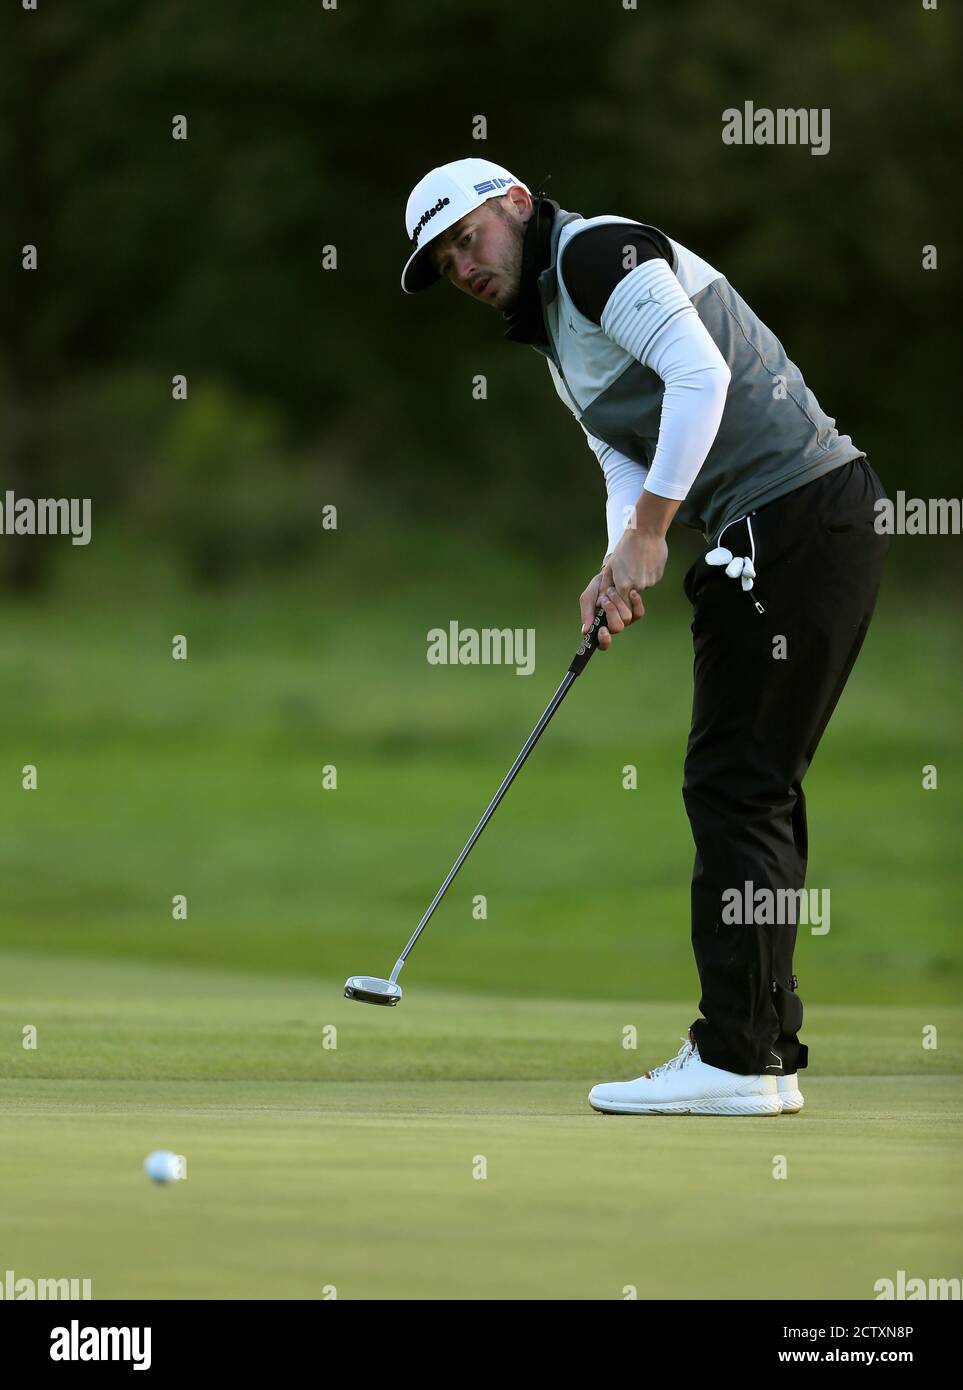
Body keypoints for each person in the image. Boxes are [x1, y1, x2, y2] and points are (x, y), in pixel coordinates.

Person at [401, 157, 891, 1116]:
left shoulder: (591, 254)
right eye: (444, 260)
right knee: (753, 781)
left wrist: (654, 536)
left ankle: (736, 1058)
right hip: (800, 522)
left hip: (790, 513)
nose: (462, 266)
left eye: (467, 239)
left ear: (513, 205)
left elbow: (699, 376)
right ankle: (758, 1051)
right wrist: (613, 563)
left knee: (735, 784)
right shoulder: (553, 329)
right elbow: (625, 458)